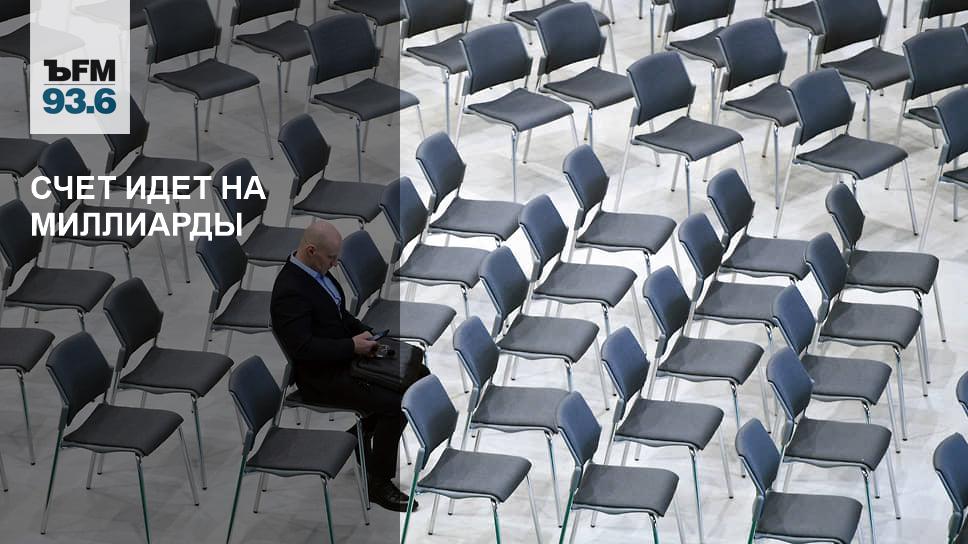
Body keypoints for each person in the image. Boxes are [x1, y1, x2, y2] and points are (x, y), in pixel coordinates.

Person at [270, 220, 421, 512]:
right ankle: (378, 482)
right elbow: (303, 350)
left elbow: (339, 314)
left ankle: (359, 436)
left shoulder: (318, 271)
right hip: (321, 376)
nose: (336, 264)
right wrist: (352, 346)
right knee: (396, 402)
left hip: (344, 357)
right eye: (331, 258)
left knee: (416, 375)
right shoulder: (290, 292)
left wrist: (366, 334)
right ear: (311, 251)